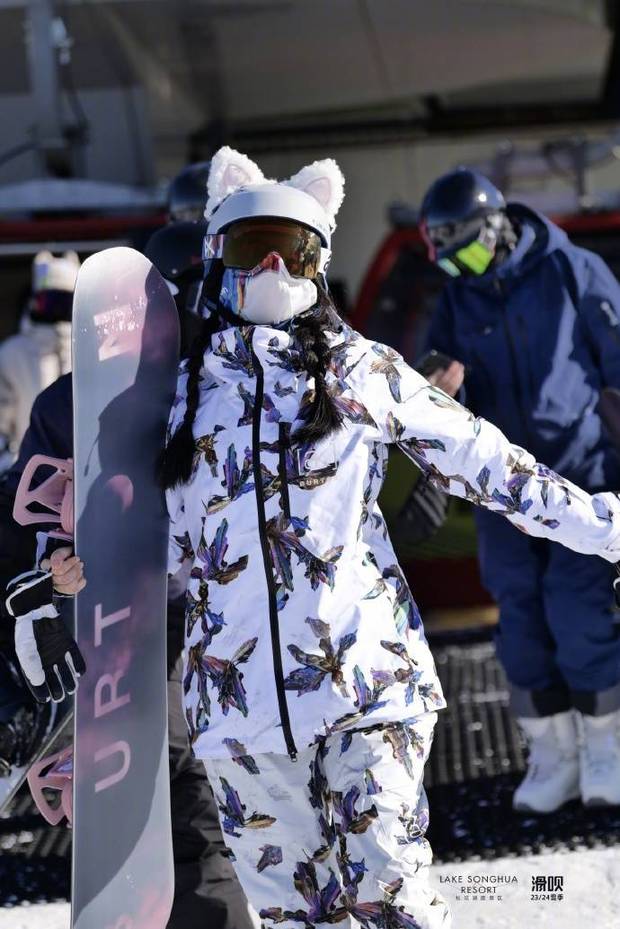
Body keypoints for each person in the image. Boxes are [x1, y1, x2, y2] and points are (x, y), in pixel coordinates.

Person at [11, 146, 620, 929]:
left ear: (317, 264)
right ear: (215, 258)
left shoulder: (361, 372)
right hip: (237, 720)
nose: (271, 265)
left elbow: (495, 468)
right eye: (248, 244)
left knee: (392, 899)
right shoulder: (181, 401)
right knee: (299, 919)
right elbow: (155, 546)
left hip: (365, 689)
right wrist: (70, 566)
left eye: (293, 249)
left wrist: (607, 528)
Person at [0, 222, 258, 929]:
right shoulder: (71, 402)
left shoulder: (232, 387)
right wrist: (48, 577)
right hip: (129, 627)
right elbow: (24, 518)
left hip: (214, 627)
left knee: (198, 806)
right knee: (170, 800)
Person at [420, 166, 620, 813]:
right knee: (521, 617)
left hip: (577, 475)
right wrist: (439, 391)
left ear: (498, 228)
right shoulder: (458, 297)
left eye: (471, 252)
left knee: (580, 608)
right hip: (501, 490)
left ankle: (606, 743)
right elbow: (435, 384)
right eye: (450, 262)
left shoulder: (571, 271)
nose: (464, 270)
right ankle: (553, 751)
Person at [0, 250, 78, 473]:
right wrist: (12, 465)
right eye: (49, 302)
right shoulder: (12, 354)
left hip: (79, 472)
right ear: (35, 302)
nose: (56, 310)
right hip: (26, 471)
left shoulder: (89, 353)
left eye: (64, 302)